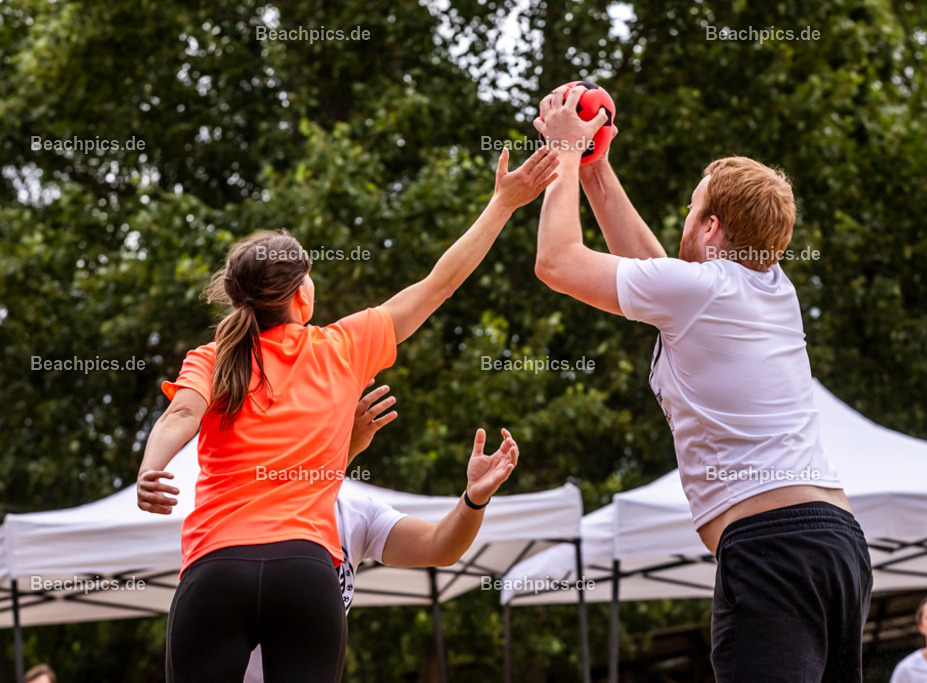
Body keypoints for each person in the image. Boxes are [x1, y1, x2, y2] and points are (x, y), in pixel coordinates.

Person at [137, 146, 556, 682]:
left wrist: (152, 469)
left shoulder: (214, 357)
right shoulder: (342, 346)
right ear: (299, 296)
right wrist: (502, 203)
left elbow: (180, 417)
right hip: (305, 573)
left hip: (216, 569)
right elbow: (440, 283)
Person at [531, 84, 872, 681]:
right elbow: (658, 271)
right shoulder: (769, 289)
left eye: (691, 210)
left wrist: (563, 152)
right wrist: (596, 171)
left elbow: (557, 263)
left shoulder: (704, 290)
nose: (684, 221)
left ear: (712, 227)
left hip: (772, 549)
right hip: (838, 545)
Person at [242, 383, 519, 681]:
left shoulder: (357, 513)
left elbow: (441, 547)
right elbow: (297, 495)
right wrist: (344, 450)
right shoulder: (250, 496)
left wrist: (474, 499)